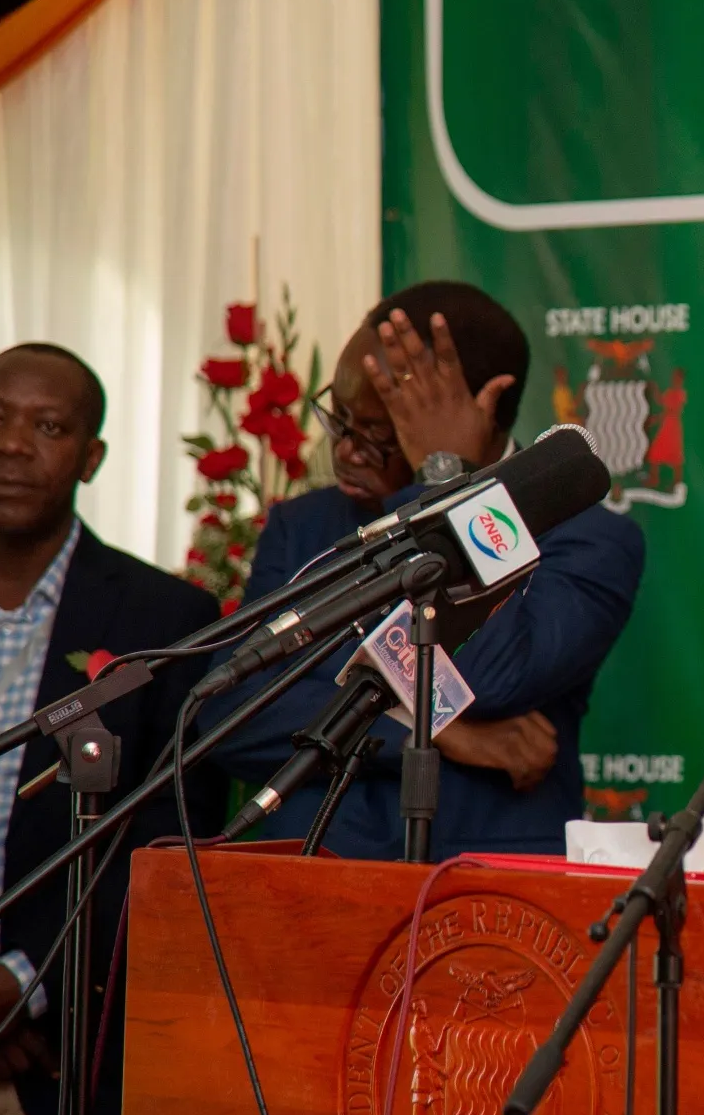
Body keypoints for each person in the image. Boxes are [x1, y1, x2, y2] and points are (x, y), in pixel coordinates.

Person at [207, 281, 645, 860]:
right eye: (339, 419)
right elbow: (229, 715)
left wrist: (445, 482)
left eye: (378, 435)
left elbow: (493, 675)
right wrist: (441, 732)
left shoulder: (587, 536)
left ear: (483, 410)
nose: (344, 452)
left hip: (486, 885)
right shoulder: (306, 526)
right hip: (319, 872)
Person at [0, 343, 225, 1115]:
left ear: (90, 458)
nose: (13, 444)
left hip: (60, 1079)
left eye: (47, 426)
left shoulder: (164, 621)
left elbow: (162, 846)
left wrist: (23, 979)